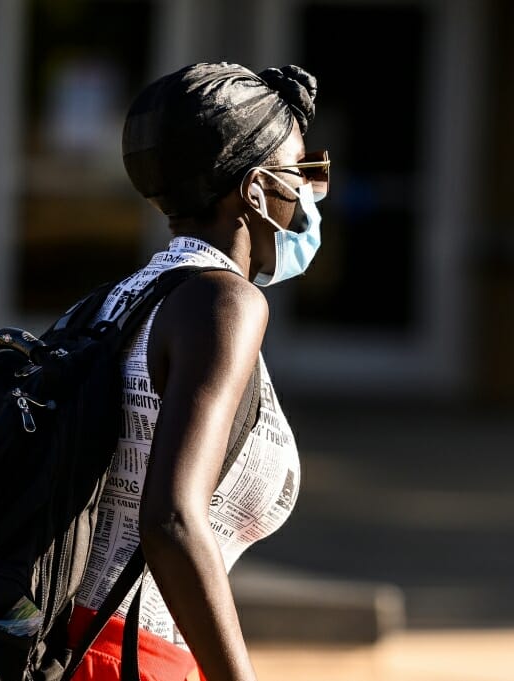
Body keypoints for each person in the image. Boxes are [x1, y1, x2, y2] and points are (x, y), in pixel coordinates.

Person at [64, 61, 329, 681]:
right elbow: (172, 521)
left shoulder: (117, 299)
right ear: (258, 191)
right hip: (123, 659)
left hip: (69, 643)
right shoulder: (225, 305)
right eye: (302, 176)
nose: (311, 201)